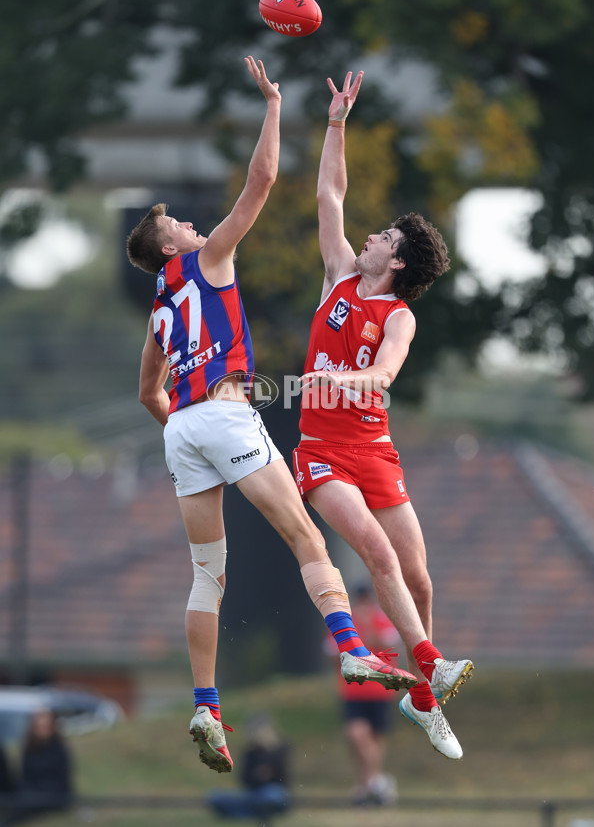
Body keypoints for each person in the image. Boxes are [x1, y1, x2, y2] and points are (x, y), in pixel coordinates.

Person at [126, 57, 417, 775]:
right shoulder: (210, 259)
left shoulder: (159, 309)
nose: (193, 224)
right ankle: (353, 650)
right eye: (179, 223)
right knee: (306, 537)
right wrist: (274, 106)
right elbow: (260, 182)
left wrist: (181, 429)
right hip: (225, 412)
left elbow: (147, 395)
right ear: (170, 245)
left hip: (184, 430)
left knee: (207, 575)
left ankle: (205, 702)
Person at [292, 69, 474, 760]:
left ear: (395, 261)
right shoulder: (338, 272)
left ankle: (423, 701)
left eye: (383, 236)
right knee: (374, 550)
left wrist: (349, 381)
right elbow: (329, 192)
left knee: (420, 577)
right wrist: (337, 121)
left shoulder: (398, 315)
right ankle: (431, 661)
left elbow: (384, 373)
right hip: (321, 452)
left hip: (374, 450)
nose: (368, 235)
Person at [324, 584, 401, 806]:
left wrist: (368, 629)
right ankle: (377, 782)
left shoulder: (381, 619)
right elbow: (331, 652)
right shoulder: (345, 623)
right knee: (357, 735)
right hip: (353, 691)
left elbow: (390, 644)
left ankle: (366, 786)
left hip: (380, 690)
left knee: (375, 741)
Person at [207, 713, 291, 819]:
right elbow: (244, 778)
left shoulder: (280, 750)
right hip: (253, 794)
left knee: (270, 796)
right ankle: (253, 811)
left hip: (274, 793)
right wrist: (256, 776)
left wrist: (268, 774)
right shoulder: (250, 752)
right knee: (216, 797)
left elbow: (284, 779)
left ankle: (248, 812)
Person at [4, 710, 72, 825]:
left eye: (46, 726)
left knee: (22, 808)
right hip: (31, 793)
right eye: (39, 727)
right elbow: (25, 776)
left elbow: (61, 780)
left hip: (53, 795)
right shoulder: (30, 749)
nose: (42, 730)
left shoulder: (58, 749)